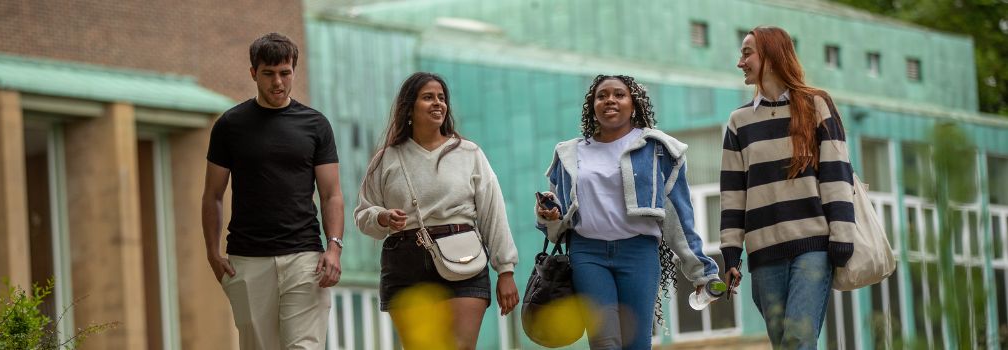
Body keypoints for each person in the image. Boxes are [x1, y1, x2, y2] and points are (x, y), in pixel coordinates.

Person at [535, 74, 720, 350]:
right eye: (602, 95)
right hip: (588, 254)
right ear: (592, 107)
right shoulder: (569, 154)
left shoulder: (657, 149)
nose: (609, 99)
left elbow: (679, 216)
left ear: (634, 105)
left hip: (639, 254)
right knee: (604, 342)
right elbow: (559, 219)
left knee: (636, 343)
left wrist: (701, 272)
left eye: (619, 94)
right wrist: (548, 215)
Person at [353, 72, 519, 350]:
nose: (438, 104)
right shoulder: (386, 159)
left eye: (442, 98)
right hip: (405, 261)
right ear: (409, 107)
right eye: (428, 97)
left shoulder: (469, 153)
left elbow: (493, 212)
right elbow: (363, 214)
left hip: (464, 258)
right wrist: (382, 217)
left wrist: (505, 270)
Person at [202, 32, 344, 349]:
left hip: (305, 258)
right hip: (248, 259)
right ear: (254, 73)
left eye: (285, 73)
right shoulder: (229, 125)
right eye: (268, 73)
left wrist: (334, 246)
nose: (277, 82)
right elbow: (212, 194)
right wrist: (212, 253)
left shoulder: (315, 125)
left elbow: (331, 193)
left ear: (293, 70)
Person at [720, 26, 855, 349]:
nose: (741, 62)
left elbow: (837, 174)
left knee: (798, 338)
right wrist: (730, 252)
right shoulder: (738, 122)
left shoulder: (816, 105)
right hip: (763, 251)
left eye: (747, 53)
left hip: (813, 245)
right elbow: (733, 192)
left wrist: (842, 234)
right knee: (782, 342)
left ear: (771, 55)